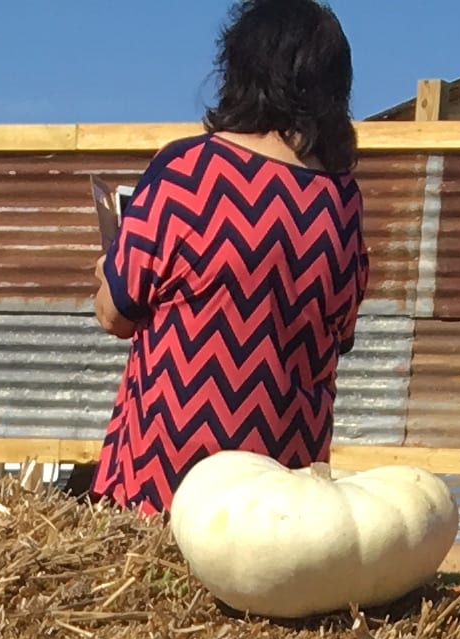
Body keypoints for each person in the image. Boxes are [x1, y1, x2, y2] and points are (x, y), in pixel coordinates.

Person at [87, 0, 371, 517]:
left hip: (167, 484)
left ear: (240, 69)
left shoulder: (185, 172)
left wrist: (110, 265)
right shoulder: (343, 202)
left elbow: (115, 312)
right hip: (284, 499)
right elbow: (341, 334)